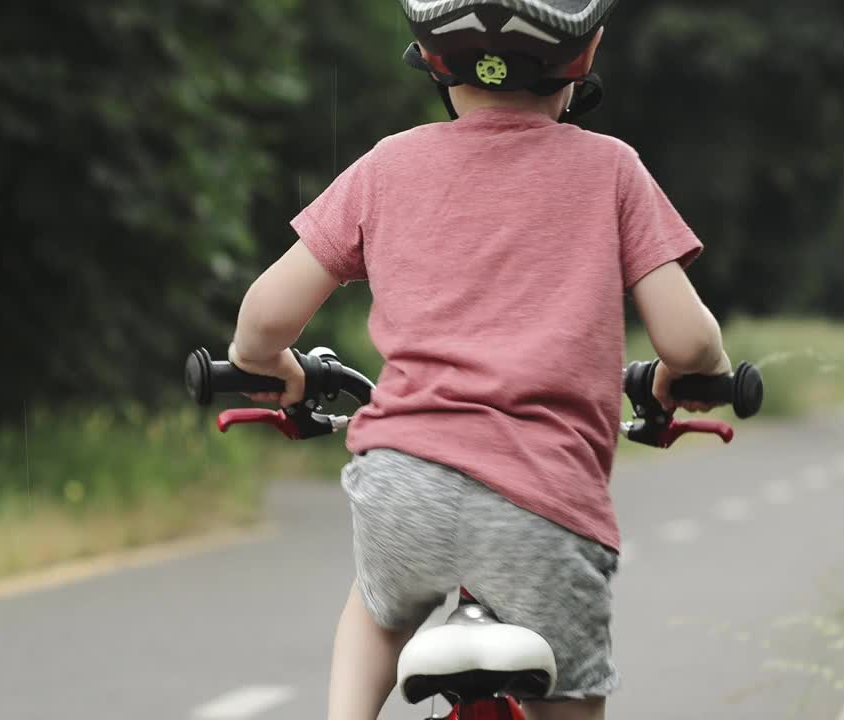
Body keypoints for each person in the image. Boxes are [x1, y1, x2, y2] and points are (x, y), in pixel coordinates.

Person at [227, 1, 731, 718]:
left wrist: (268, 362)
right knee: (576, 690)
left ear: (435, 63)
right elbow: (685, 342)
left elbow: (261, 321)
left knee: (375, 614)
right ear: (580, 63)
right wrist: (693, 372)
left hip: (404, 491)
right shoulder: (612, 170)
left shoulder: (388, 164)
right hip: (546, 505)